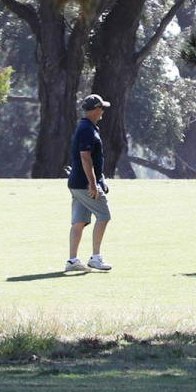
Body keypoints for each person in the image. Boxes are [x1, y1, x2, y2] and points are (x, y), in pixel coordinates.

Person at [65, 94, 113, 272]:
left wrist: (100, 178)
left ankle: (72, 261)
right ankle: (95, 257)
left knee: (78, 222)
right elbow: (85, 158)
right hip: (85, 184)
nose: (102, 112)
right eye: (101, 108)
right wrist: (93, 185)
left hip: (76, 183)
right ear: (95, 109)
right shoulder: (87, 129)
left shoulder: (89, 127)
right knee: (104, 216)